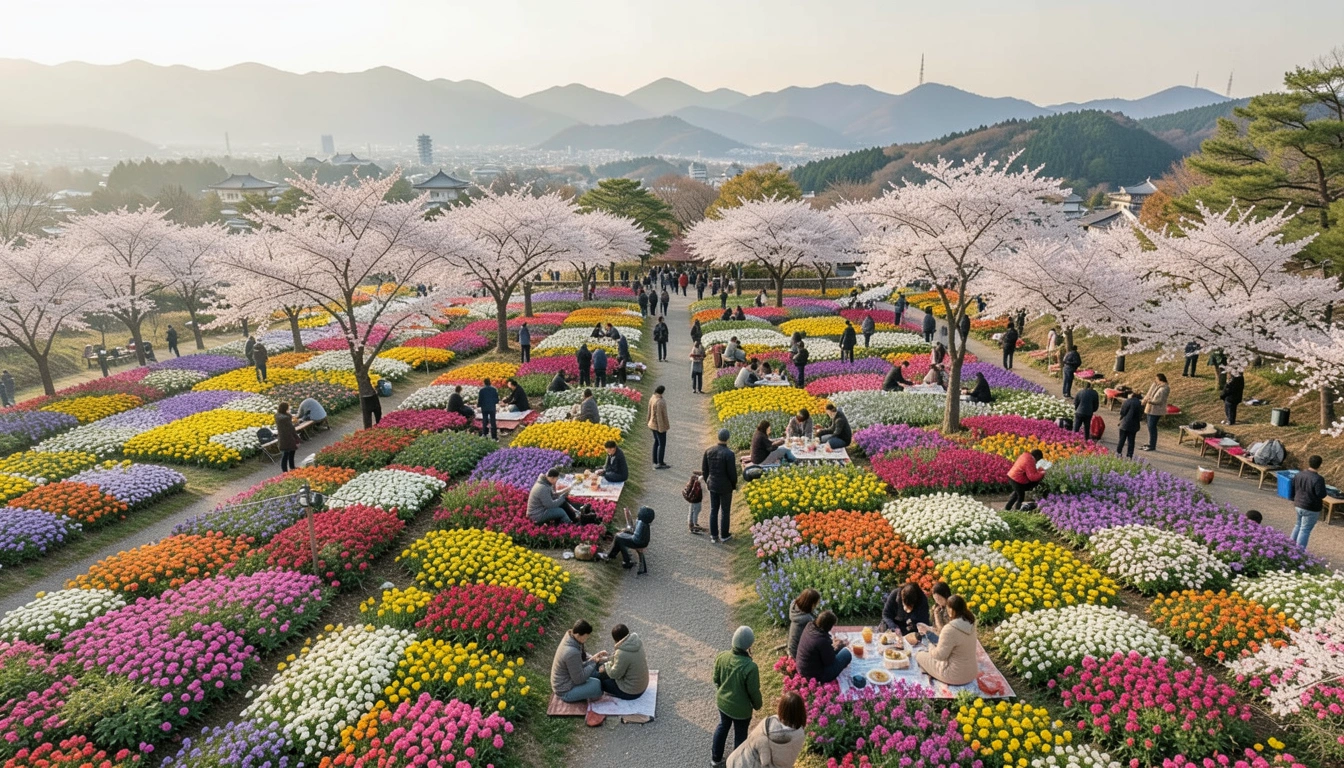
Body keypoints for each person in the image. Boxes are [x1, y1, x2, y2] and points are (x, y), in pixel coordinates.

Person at [712, 626, 763, 768]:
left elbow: (716, 679)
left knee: (723, 727)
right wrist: (758, 705)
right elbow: (753, 691)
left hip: (722, 704)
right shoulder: (750, 667)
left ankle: (715, 759)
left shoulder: (721, 656)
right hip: (741, 711)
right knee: (740, 736)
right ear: (749, 645)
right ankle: (736, 764)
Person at [726, 692, 806, 768]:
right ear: (801, 711)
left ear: (781, 708)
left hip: (740, 761)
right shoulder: (799, 735)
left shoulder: (767, 723)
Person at [915, 595, 978, 686]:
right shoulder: (971, 622)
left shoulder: (950, 628)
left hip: (955, 676)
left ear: (951, 610)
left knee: (919, 655)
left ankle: (928, 670)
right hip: (971, 673)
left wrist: (930, 646)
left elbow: (939, 656)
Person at [551, 619, 607, 703]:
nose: (586, 639)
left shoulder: (570, 638)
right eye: (586, 637)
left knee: (595, 673)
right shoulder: (571, 652)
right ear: (578, 635)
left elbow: (580, 662)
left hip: (569, 679)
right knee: (597, 685)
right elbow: (579, 679)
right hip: (565, 690)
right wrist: (593, 662)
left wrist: (594, 658)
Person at [701, 428, 740, 543]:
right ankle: (724, 534)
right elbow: (732, 473)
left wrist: (708, 481)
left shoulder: (709, 451)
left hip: (713, 484)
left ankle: (714, 535)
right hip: (725, 486)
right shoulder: (729, 454)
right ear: (728, 438)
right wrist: (734, 484)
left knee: (714, 510)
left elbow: (705, 470)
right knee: (725, 511)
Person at [795, 611, 852, 684]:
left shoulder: (809, 626)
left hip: (803, 667)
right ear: (828, 626)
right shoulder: (821, 640)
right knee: (846, 653)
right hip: (816, 676)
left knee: (839, 649)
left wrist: (831, 646)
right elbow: (829, 662)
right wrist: (835, 647)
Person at [1290, 455, 1327, 550]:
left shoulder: (1299, 474)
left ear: (1308, 463)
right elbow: (1321, 494)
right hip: (1311, 507)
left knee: (1298, 525)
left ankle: (1290, 546)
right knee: (1305, 530)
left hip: (1298, 504)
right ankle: (1299, 552)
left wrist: (1293, 499)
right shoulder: (1318, 479)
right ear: (1320, 465)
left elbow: (1293, 488)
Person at [786, 589, 821, 660]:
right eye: (816, 603)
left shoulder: (795, 606)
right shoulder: (807, 619)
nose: (816, 605)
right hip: (799, 655)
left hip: (792, 649)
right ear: (811, 604)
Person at [1140, 373, 1169, 452]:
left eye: (1156, 379)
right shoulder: (1157, 386)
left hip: (1156, 410)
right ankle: (1150, 443)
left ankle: (1152, 444)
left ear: (1160, 380)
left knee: (1152, 427)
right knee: (1150, 426)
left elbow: (1159, 400)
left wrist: (1150, 401)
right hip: (1151, 409)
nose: (1155, 381)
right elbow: (1150, 393)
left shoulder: (1164, 388)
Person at [648, 385, 670, 469]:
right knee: (662, 444)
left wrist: (648, 421)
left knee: (656, 442)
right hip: (659, 426)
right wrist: (661, 428)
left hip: (652, 424)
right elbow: (659, 417)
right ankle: (660, 462)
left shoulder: (652, 398)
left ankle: (655, 460)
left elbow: (649, 411)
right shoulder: (660, 401)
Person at [1116, 391, 1143, 459]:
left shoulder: (1127, 401)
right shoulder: (1140, 404)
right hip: (1134, 425)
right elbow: (1140, 416)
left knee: (1121, 440)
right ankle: (1129, 455)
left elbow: (1123, 412)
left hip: (1125, 423)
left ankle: (1118, 453)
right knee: (1131, 441)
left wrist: (1121, 419)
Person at [274, 402, 299, 472]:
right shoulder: (286, 418)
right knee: (288, 453)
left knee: (286, 453)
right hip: (289, 437)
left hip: (282, 437)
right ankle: (291, 467)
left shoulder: (277, 416)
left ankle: (285, 470)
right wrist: (297, 438)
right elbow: (291, 429)